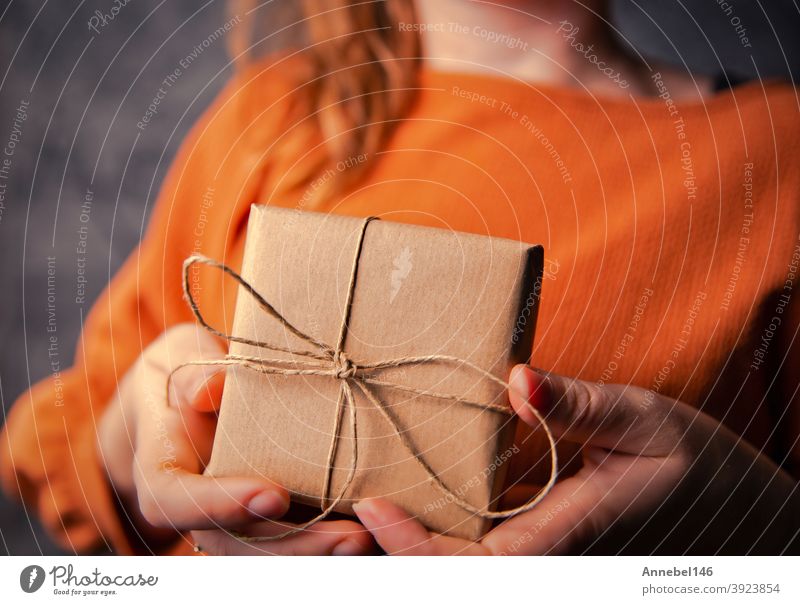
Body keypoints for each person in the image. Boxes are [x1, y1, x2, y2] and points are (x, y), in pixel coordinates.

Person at [2, 0, 799, 555]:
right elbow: (62, 441)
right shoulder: (277, 114)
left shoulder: (779, 155)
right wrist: (134, 444)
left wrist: (752, 526)